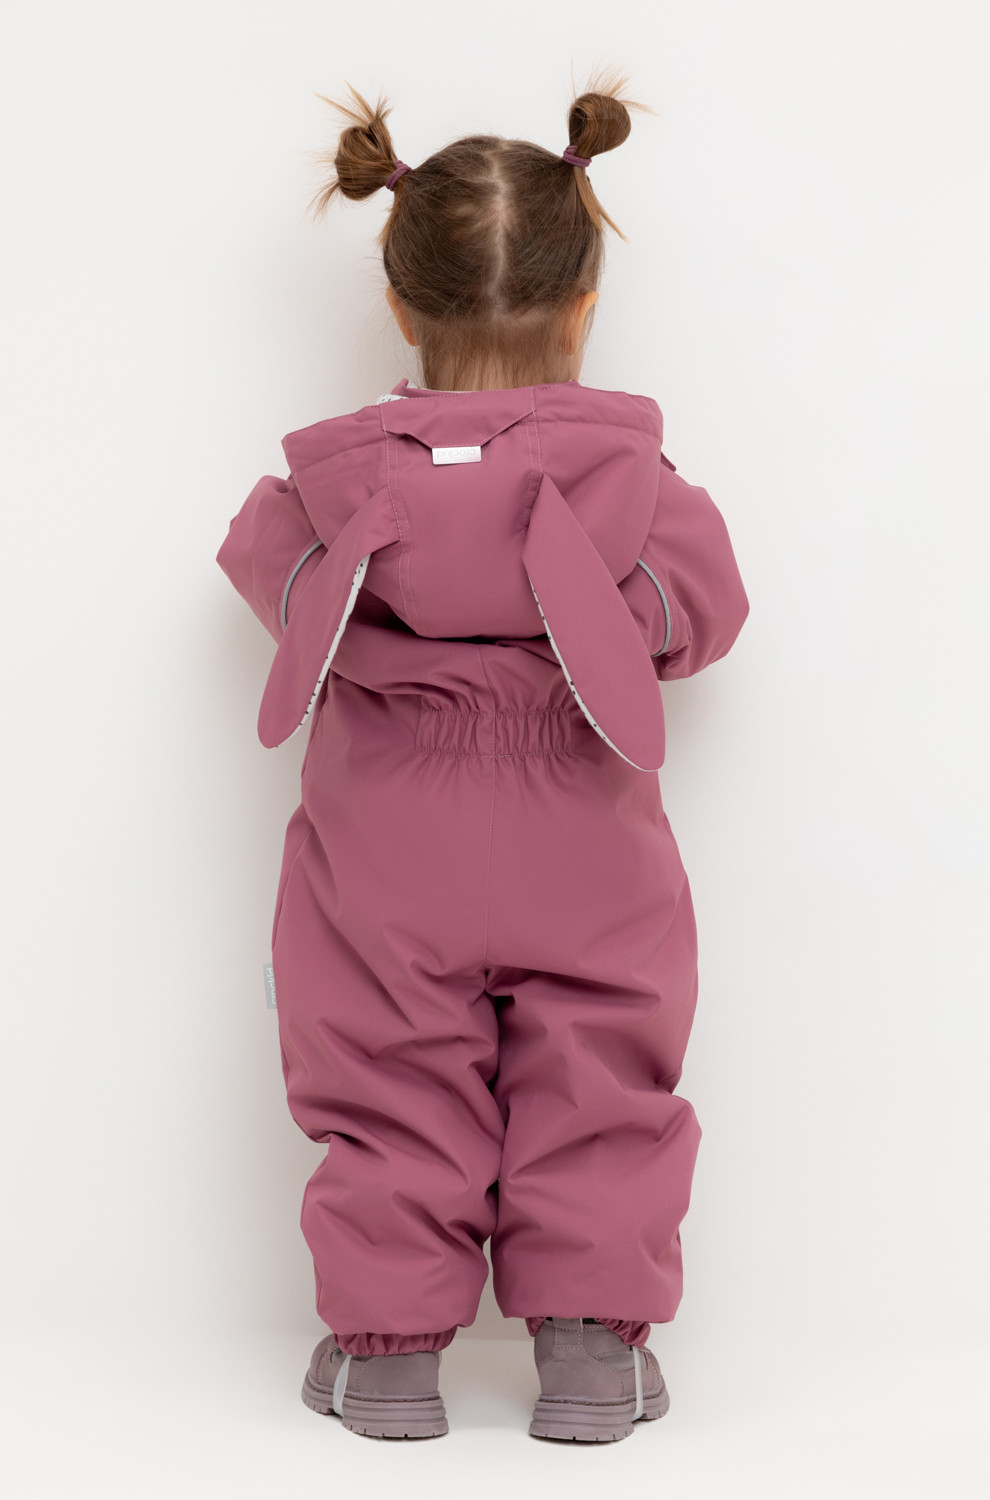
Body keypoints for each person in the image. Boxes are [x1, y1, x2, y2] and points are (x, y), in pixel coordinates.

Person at [216, 67, 750, 1444]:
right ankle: (592, 1358)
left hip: (387, 851)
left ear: (401, 307)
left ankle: (389, 1362)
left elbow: (262, 563)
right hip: (587, 844)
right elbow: (705, 610)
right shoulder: (636, 482)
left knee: (388, 1079)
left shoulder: (330, 487)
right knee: (602, 1076)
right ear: (585, 307)